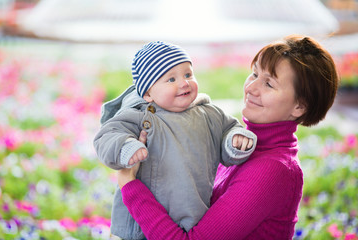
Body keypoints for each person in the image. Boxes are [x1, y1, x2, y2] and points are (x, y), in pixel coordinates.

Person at [116, 35, 339, 239]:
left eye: (268, 83)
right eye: (254, 73)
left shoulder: (273, 170)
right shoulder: (238, 144)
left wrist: (130, 185)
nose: (251, 87)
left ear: (299, 106)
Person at [93, 41, 257, 240]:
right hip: (141, 225)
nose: (184, 83)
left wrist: (235, 141)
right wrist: (126, 146)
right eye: (171, 79)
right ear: (147, 94)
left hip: (194, 214)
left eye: (188, 74)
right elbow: (106, 137)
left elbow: (229, 131)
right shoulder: (140, 117)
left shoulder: (209, 114)